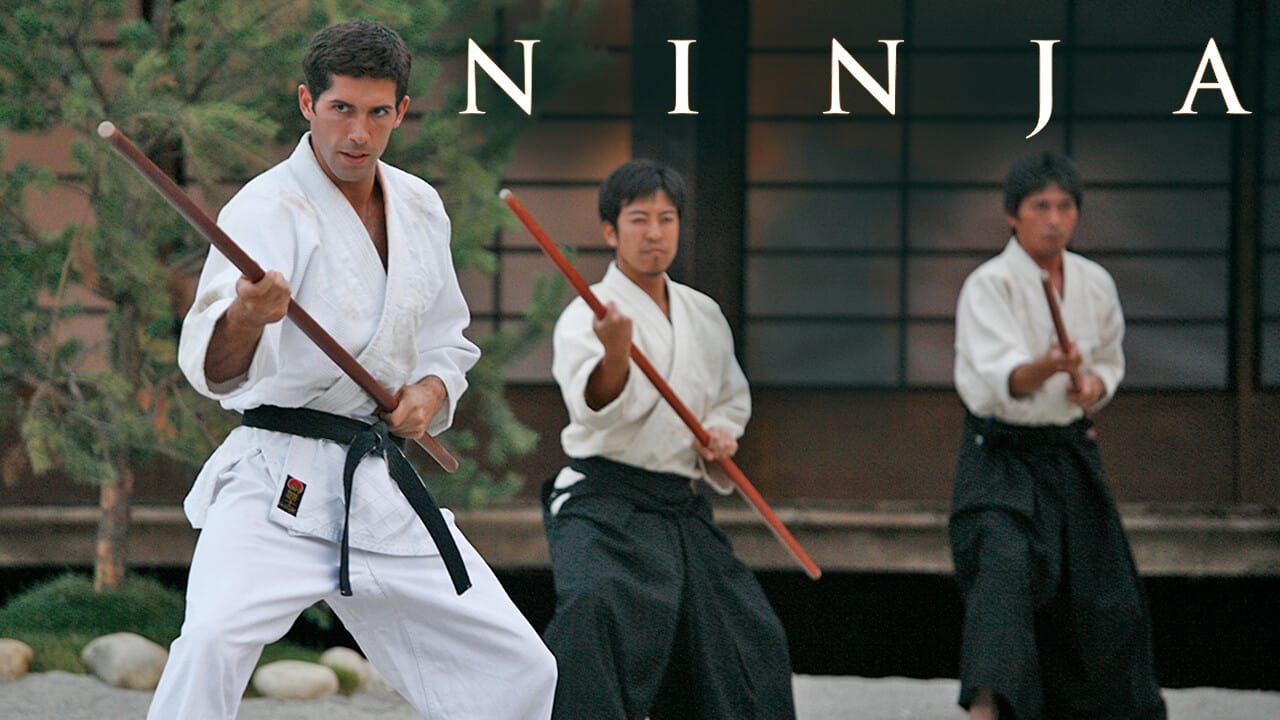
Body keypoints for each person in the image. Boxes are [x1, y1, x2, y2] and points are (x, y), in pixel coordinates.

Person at [149, 19, 555, 719]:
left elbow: (445, 339)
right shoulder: (268, 207)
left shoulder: (419, 206)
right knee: (210, 640)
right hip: (276, 480)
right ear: (307, 102)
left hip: (374, 482)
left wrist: (429, 392)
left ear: (401, 111)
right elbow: (213, 367)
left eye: (376, 113)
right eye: (341, 108)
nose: (358, 133)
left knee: (520, 666)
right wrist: (247, 314)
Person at [540, 159, 796, 719]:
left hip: (678, 505)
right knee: (594, 609)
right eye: (639, 219)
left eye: (666, 218)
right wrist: (615, 353)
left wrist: (721, 435)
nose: (655, 232)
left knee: (750, 635)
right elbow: (593, 406)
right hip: (604, 502)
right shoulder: (588, 315)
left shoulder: (703, 313)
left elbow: (728, 397)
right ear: (611, 231)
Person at [948, 152, 1166, 720]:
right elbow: (1003, 380)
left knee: (1102, 596)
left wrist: (1092, 385)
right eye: (1040, 206)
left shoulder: (1094, 283)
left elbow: (1108, 364)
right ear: (1012, 215)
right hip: (1002, 458)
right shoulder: (989, 285)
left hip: (1068, 453)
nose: (1054, 219)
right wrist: (1046, 366)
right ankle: (986, 710)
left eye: (1065, 206)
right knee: (1003, 577)